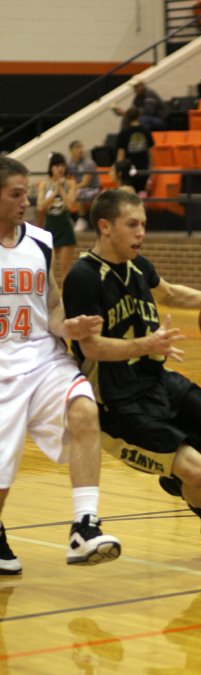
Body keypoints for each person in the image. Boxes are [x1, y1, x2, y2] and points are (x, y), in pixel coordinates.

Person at [62, 189, 201, 567]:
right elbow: (91, 347)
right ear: (105, 226)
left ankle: (178, 480)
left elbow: (173, 294)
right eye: (132, 224)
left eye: (143, 224)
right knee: (196, 470)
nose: (141, 232)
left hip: (156, 380)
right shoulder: (83, 276)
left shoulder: (137, 265)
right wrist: (147, 344)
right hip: (117, 402)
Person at [0, 156, 121, 575]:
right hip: (1, 370)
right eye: (15, 194)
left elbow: (49, 301)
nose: (25, 202)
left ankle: (84, 528)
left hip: (43, 356)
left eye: (26, 193)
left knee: (85, 410)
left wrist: (66, 324)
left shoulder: (39, 239)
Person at [37, 152, 77, 283]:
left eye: (62, 165)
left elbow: (70, 204)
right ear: (51, 168)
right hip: (50, 227)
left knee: (66, 272)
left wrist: (61, 189)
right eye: (56, 165)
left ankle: (66, 302)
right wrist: (55, 192)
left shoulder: (70, 183)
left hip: (65, 226)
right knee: (48, 270)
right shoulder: (44, 184)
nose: (60, 168)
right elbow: (40, 207)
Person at [116, 107, 154, 194]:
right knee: (141, 198)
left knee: (130, 198)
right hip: (143, 171)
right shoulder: (146, 131)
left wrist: (118, 172)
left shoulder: (124, 132)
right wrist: (151, 172)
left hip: (129, 171)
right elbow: (151, 154)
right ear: (138, 116)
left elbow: (120, 155)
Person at [67, 140, 101, 233]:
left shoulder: (89, 163)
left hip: (93, 188)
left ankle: (82, 220)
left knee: (79, 193)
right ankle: (66, 219)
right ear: (71, 150)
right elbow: (65, 178)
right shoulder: (69, 163)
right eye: (77, 147)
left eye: (81, 147)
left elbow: (85, 182)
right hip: (78, 187)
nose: (80, 150)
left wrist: (72, 189)